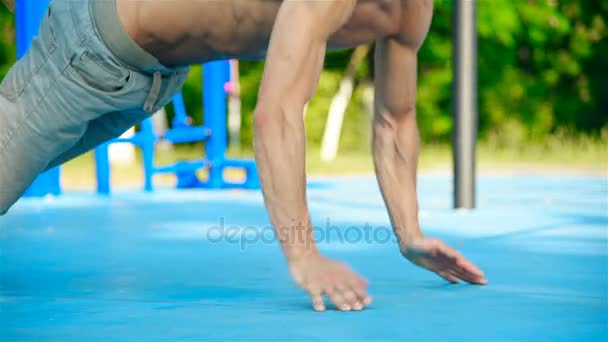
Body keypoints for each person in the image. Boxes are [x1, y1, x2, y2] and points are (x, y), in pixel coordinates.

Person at [0, 0, 487, 311]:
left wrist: (411, 234)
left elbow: (395, 119)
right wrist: (304, 256)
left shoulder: (413, 10)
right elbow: (275, 114)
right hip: (92, 49)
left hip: (150, 79)